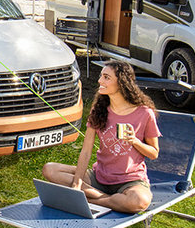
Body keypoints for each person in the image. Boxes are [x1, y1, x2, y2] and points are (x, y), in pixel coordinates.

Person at [42, 61, 159, 214]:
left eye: (106, 77)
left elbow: (154, 153)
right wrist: (77, 182)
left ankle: (92, 199)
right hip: (99, 177)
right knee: (49, 169)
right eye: (101, 76)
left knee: (139, 201)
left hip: (130, 180)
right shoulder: (99, 110)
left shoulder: (144, 113)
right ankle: (107, 198)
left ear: (122, 82)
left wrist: (135, 141)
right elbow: (86, 152)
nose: (100, 81)